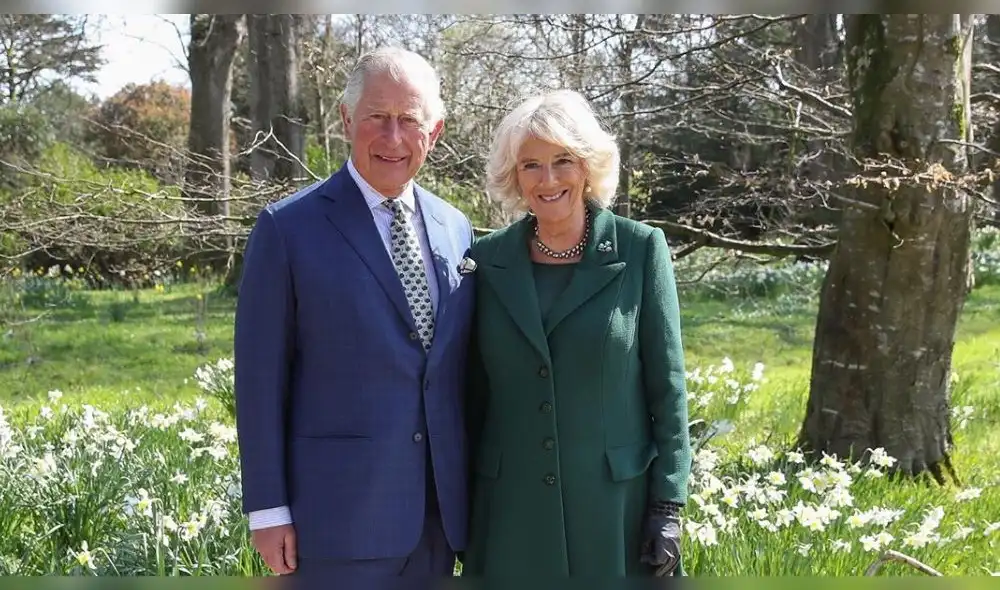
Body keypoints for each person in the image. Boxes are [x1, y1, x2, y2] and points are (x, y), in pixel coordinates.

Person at [233, 46, 476, 583]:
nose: (392, 138)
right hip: (337, 521)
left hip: (440, 522)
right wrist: (268, 510)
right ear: (346, 119)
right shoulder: (287, 230)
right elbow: (259, 381)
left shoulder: (456, 227)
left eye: (408, 120)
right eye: (376, 118)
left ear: (433, 132)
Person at [462, 89, 692, 577]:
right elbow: (470, 396)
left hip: (613, 510)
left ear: (587, 165)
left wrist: (668, 506)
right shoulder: (484, 262)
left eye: (562, 160)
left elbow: (667, 390)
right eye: (530, 165)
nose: (548, 180)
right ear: (513, 176)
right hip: (510, 511)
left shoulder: (641, 250)